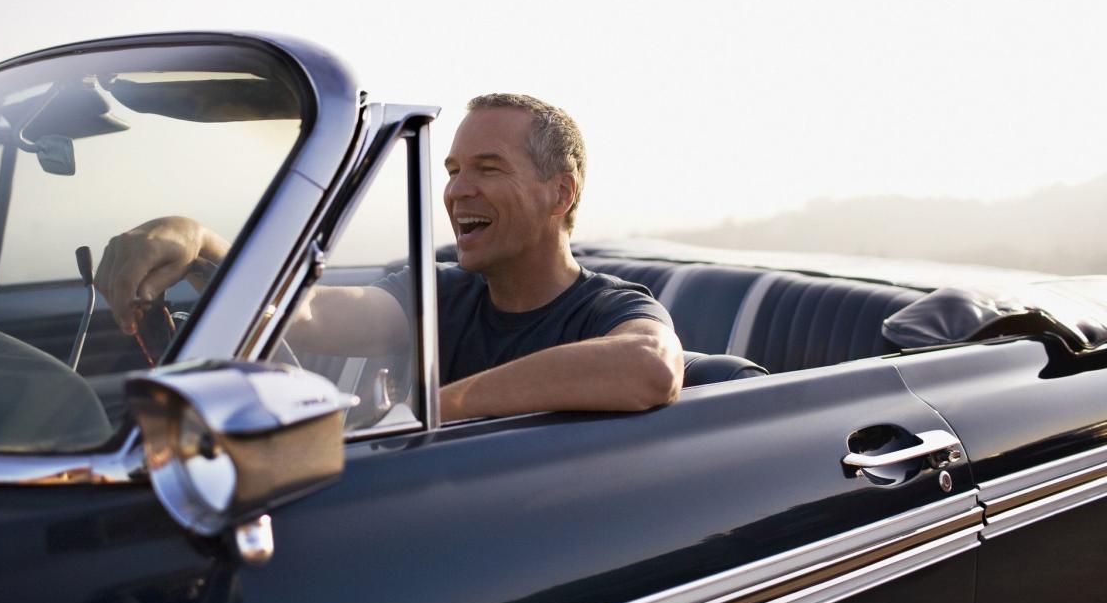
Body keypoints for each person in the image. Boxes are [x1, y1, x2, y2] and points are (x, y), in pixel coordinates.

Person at [95, 93, 683, 422]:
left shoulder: (610, 306)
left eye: (488, 168)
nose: (456, 191)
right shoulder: (439, 293)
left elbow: (649, 367)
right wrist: (199, 242)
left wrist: (430, 410)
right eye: (452, 171)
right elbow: (308, 314)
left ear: (562, 192)